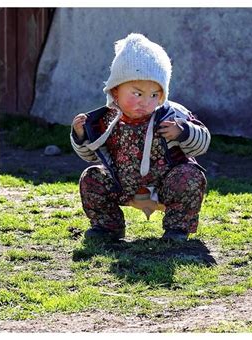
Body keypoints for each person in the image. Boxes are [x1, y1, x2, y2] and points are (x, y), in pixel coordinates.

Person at [70, 33, 210, 242]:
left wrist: (184, 132)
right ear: (116, 90)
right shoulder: (106, 119)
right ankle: (107, 226)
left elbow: (203, 142)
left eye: (154, 95)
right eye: (137, 93)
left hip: (166, 186)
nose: (145, 101)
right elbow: (91, 155)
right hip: (123, 185)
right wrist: (80, 135)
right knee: (91, 177)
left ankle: (177, 229)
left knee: (190, 176)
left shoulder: (173, 115)